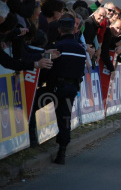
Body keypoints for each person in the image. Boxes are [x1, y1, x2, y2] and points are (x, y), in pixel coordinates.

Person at [29, 14, 87, 165]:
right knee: (65, 119)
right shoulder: (81, 49)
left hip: (54, 88)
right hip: (72, 88)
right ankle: (62, 152)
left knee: (32, 104)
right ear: (73, 31)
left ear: (60, 30)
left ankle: (32, 139)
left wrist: (39, 83)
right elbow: (81, 71)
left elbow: (46, 67)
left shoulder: (54, 47)